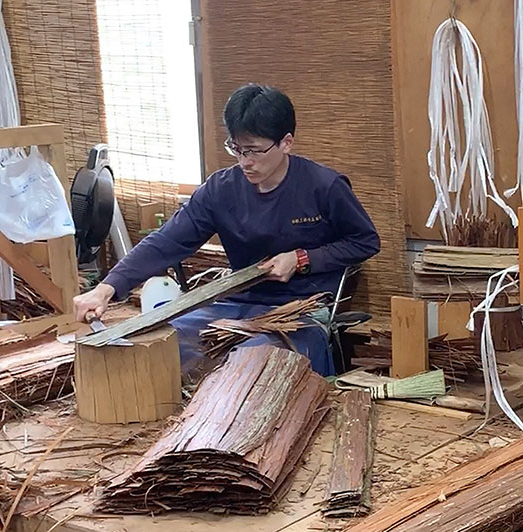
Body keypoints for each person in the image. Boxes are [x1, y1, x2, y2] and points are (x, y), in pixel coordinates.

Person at [72, 84, 380, 377]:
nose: (245, 161)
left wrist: (301, 258)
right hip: (235, 303)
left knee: (253, 362)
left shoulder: (324, 186)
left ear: (286, 142)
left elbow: (365, 241)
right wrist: (106, 288)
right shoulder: (221, 190)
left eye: (255, 151)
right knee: (164, 344)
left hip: (299, 311)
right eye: (237, 149)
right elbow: (167, 241)